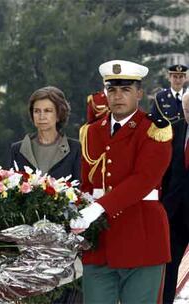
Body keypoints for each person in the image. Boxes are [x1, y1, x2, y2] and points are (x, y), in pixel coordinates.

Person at [70, 60, 173, 303]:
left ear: (139, 93)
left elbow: (144, 180)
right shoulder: (92, 131)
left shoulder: (154, 130)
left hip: (142, 238)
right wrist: (77, 211)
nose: (117, 96)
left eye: (125, 90)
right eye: (112, 90)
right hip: (100, 242)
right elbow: (87, 182)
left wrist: (97, 207)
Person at [10, 86, 81, 181]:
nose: (41, 116)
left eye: (47, 111)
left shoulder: (75, 148)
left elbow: (80, 188)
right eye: (37, 111)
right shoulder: (18, 149)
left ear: (59, 115)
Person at [160, 92, 189, 303]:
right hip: (175, 215)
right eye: (187, 110)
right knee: (169, 271)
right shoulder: (174, 131)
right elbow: (164, 172)